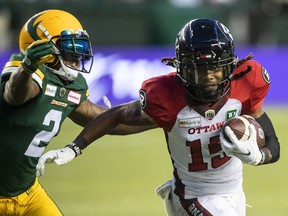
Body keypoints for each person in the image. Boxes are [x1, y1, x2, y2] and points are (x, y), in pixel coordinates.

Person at [37, 18, 280, 216]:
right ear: (182, 68)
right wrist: (74, 147)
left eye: (216, 68)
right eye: (199, 70)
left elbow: (273, 145)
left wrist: (260, 156)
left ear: (230, 66)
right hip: (193, 195)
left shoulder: (248, 81)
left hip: (234, 193)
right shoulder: (167, 97)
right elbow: (118, 116)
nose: (209, 77)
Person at [0, 9, 149, 216]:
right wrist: (27, 67)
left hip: (27, 192)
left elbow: (108, 121)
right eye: (69, 46)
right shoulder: (25, 69)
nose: (77, 54)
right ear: (42, 46)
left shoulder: (72, 85)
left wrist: (159, 118)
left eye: (79, 45)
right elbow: (14, 95)